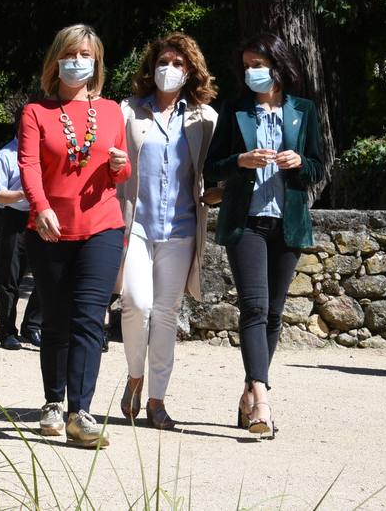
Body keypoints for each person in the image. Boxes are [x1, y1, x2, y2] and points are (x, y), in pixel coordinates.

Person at [205, 33, 325, 439]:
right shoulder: (236, 109)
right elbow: (212, 166)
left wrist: (299, 162)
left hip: (287, 224)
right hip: (246, 222)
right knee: (254, 310)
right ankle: (263, 401)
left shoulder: (303, 110)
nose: (252, 72)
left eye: (259, 63)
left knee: (274, 314)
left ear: (279, 65)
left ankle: (246, 393)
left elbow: (318, 167)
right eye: (247, 66)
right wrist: (240, 160)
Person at [19, 23, 130, 449]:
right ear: (56, 60)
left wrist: (120, 164)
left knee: (89, 318)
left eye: (86, 55)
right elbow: (29, 165)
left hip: (102, 226)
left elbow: (122, 173)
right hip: (49, 229)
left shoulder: (112, 111)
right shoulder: (36, 112)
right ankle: (52, 401)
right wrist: (40, 206)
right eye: (70, 53)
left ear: (97, 63)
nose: (77, 61)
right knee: (57, 319)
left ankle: (79, 412)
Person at [116, 33, 219, 430]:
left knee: (165, 314)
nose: (170, 69)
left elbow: (211, 169)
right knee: (136, 304)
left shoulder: (204, 118)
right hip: (137, 225)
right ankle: (135, 375)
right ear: (151, 65)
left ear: (190, 70)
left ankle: (157, 400)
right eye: (164, 61)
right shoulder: (129, 112)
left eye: (179, 63)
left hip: (181, 228)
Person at [0, 136, 43, 350]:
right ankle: (8, 332)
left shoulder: (44, 151)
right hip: (15, 218)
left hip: (41, 216)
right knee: (9, 277)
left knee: (48, 276)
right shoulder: (5, 155)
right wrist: (24, 192)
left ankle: (32, 325)